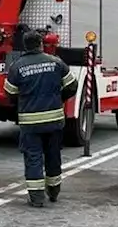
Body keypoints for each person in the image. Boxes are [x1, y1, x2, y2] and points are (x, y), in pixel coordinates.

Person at [4, 30, 78, 207]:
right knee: (53, 155)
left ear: (24, 46)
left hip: (30, 122)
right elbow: (72, 86)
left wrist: (23, 102)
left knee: (33, 157)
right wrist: (59, 98)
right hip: (54, 120)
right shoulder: (56, 62)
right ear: (41, 44)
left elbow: (9, 93)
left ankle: (36, 198)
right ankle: (53, 191)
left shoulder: (17, 66)